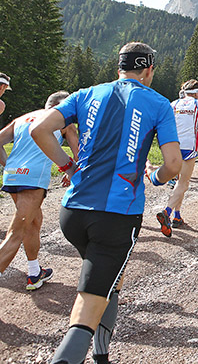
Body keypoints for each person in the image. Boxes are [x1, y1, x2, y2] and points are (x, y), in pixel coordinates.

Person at [29, 42, 182, 364]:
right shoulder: (157, 103)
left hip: (72, 212)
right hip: (116, 216)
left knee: (110, 281)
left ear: (119, 68)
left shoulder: (86, 93)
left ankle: (102, 356)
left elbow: (39, 129)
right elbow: (173, 165)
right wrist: (153, 179)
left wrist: (67, 166)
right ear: (149, 70)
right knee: (88, 305)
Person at [0, 91, 79, 290]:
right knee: (15, 234)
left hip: (12, 176)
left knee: (33, 222)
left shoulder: (23, 118)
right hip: (32, 180)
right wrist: (70, 168)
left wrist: (9, 164)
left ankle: (34, 273)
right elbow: (80, 152)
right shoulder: (62, 120)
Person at [156, 79, 198, 236]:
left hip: (172, 144)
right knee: (184, 183)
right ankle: (167, 212)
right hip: (188, 145)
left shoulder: (173, 104)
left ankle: (177, 216)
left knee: (178, 182)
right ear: (197, 92)